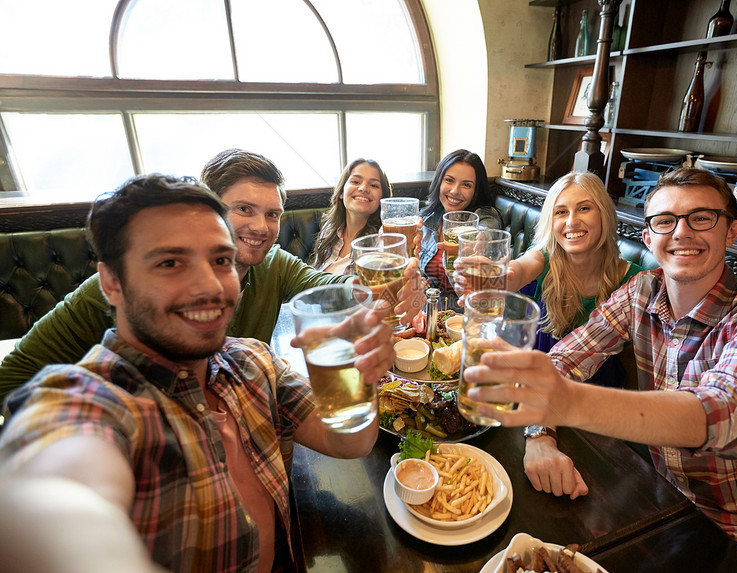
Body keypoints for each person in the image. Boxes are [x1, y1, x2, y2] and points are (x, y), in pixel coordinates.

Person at [0, 174, 394, 572]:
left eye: (222, 260)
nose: (210, 284)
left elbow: (350, 443)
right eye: (170, 263)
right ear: (111, 282)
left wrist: (362, 374)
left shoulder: (253, 361)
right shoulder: (94, 401)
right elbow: (57, 476)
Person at [463, 168, 737, 572]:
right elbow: (564, 360)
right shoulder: (641, 291)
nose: (681, 232)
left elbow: (728, 417)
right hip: (670, 510)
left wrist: (563, 400)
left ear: (732, 231)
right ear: (649, 238)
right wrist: (540, 434)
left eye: (701, 218)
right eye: (666, 221)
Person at [0, 149, 424, 398]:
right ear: (208, 210)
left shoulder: (273, 264)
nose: (261, 226)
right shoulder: (119, 288)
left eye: (273, 214)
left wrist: (391, 282)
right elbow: (14, 377)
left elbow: (329, 286)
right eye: (243, 209)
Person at [452, 171, 642, 497]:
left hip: (593, 421)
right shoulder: (544, 258)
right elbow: (518, 270)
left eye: (584, 208)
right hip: (533, 405)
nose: (571, 221)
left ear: (605, 215)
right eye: (561, 211)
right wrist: (493, 279)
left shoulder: (636, 283)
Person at [418, 149, 502, 309]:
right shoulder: (429, 217)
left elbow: (487, 229)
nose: (455, 191)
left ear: (476, 191)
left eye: (466, 185)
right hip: (429, 312)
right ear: (439, 182)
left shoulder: (485, 216)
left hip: (467, 315)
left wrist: (482, 237)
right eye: (449, 180)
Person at [309, 158, 392, 274]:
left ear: (382, 199)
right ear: (342, 192)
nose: (363, 188)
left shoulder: (384, 240)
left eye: (373, 185)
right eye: (355, 182)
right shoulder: (329, 228)